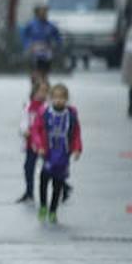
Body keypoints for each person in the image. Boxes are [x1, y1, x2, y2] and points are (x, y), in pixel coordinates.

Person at [28, 82, 82, 225]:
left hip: (63, 155)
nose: (59, 100)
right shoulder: (45, 113)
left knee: (58, 184)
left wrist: (77, 149)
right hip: (48, 153)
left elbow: (76, 133)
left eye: (62, 98)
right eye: (56, 97)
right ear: (50, 98)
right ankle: (44, 206)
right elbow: (36, 129)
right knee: (44, 181)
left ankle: (53, 210)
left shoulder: (71, 115)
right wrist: (39, 145)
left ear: (67, 99)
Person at [16, 76, 50, 203]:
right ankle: (29, 192)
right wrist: (24, 130)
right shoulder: (28, 106)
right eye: (40, 91)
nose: (42, 94)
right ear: (34, 92)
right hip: (31, 143)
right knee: (28, 167)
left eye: (45, 91)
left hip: (45, 143)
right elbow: (23, 120)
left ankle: (63, 187)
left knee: (51, 167)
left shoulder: (48, 107)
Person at [19, 5, 63, 76]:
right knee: (36, 70)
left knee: (45, 71)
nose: (44, 15)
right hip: (34, 51)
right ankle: (36, 81)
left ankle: (44, 81)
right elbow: (24, 35)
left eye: (45, 13)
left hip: (46, 51)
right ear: (37, 14)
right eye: (42, 13)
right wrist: (27, 45)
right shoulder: (31, 25)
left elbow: (57, 37)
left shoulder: (50, 26)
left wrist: (57, 44)